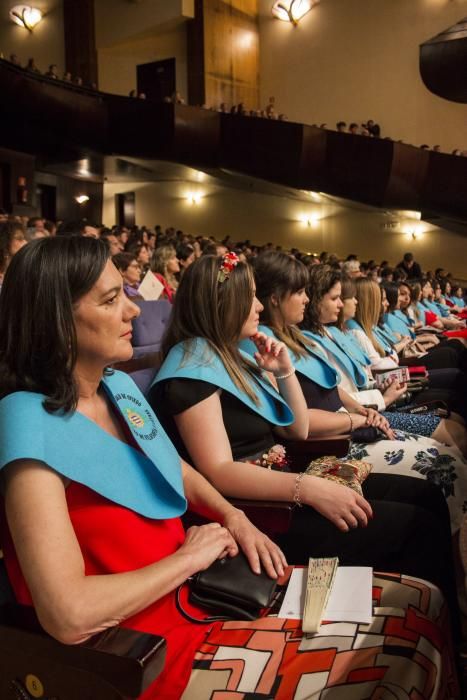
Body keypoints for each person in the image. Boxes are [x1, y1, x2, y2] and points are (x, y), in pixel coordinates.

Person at [0, 237, 298, 699]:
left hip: (200, 598)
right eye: (111, 299)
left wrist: (234, 516)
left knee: (403, 611)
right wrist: (187, 560)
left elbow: (173, 466)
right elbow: (69, 614)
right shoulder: (25, 423)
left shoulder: (115, 387)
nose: (135, 311)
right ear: (57, 316)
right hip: (138, 654)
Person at [148, 252, 463, 621]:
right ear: (222, 303)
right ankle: (434, 632)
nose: (259, 305)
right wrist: (308, 489)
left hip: (287, 478)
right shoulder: (192, 368)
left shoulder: (231, 355)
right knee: (416, 529)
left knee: (425, 494)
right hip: (262, 511)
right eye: (249, 296)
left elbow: (296, 429)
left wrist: (283, 371)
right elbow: (218, 471)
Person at [0, 221, 27, 290]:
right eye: (19, 239)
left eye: (24, 238)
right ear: (4, 240)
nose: (26, 242)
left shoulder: (24, 267)